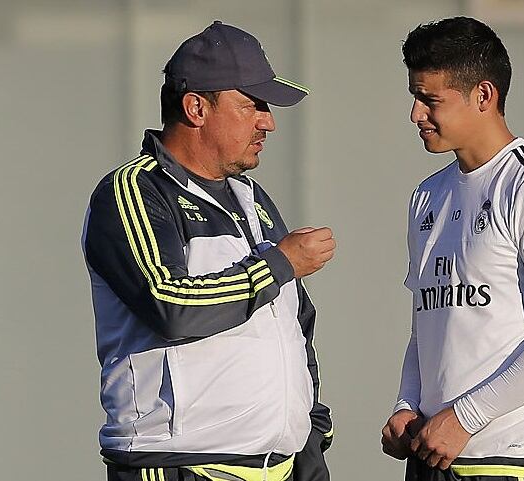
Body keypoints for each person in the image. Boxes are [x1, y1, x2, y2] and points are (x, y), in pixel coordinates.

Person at [83, 21, 334, 481]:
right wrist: (279, 263)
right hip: (176, 465)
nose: (268, 122)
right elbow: (170, 305)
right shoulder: (134, 190)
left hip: (280, 467)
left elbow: (296, 325)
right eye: (253, 105)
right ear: (196, 107)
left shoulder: (251, 197)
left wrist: (311, 438)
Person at [381, 17, 524, 481]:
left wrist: (465, 418)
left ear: (483, 95)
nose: (416, 114)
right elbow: (428, 325)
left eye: (430, 100)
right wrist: (407, 404)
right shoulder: (427, 196)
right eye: (415, 97)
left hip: (514, 464)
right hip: (431, 460)